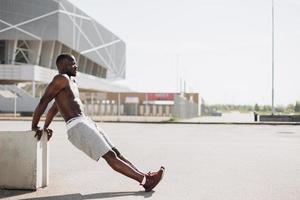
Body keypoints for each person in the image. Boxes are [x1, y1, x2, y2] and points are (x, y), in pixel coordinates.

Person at [31, 54, 164, 192]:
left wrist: (46, 127)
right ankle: (145, 181)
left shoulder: (72, 82)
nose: (76, 66)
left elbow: (54, 108)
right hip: (77, 126)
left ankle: (144, 177)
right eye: (72, 64)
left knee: (116, 153)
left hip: (86, 122)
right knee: (110, 156)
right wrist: (35, 126)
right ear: (63, 65)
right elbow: (43, 101)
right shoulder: (61, 79)